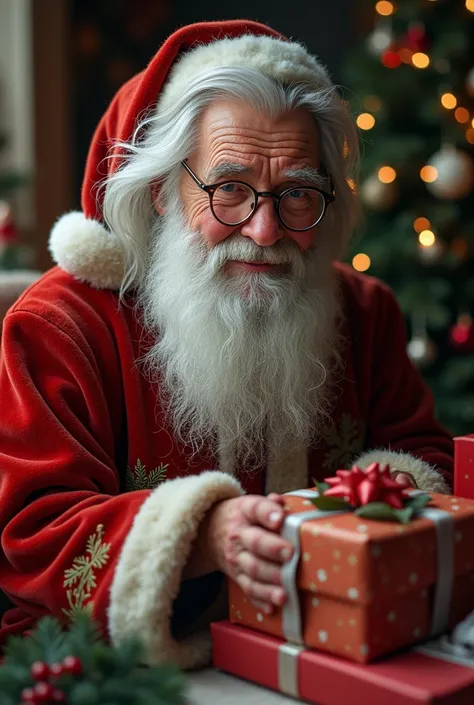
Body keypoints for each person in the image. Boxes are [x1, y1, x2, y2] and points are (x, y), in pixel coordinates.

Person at [0, 20, 453, 669]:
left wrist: (369, 514)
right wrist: (202, 533)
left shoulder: (364, 311)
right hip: (131, 668)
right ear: (162, 190)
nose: (265, 230)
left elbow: (427, 462)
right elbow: (30, 533)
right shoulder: (60, 326)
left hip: (335, 653)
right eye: (230, 189)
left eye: (297, 193)